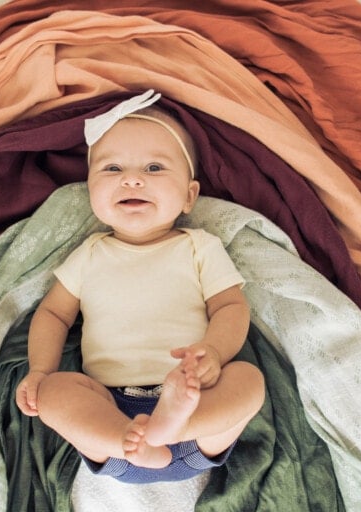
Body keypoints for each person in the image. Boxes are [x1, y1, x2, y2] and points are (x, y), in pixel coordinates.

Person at [15, 90, 265, 483]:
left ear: (189, 195)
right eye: (112, 168)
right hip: (108, 413)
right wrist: (40, 369)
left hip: (194, 409)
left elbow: (230, 307)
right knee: (53, 391)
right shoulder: (89, 253)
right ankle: (130, 440)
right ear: (90, 190)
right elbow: (53, 314)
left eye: (154, 167)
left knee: (248, 380)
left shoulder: (199, 247)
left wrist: (215, 352)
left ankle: (170, 428)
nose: (132, 178)